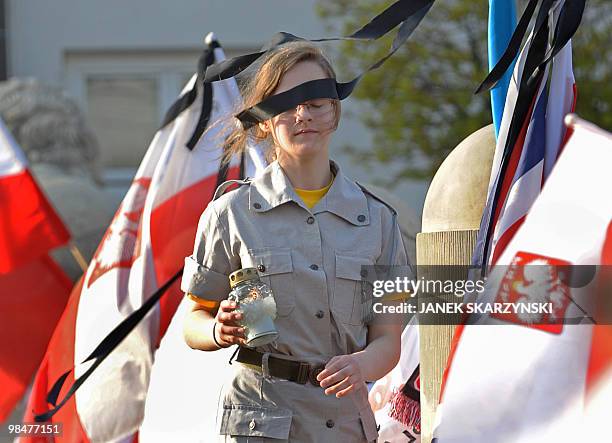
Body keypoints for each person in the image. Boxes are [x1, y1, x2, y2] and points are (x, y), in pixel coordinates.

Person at [181, 40, 410, 442]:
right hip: (261, 419)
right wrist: (218, 330)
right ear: (265, 120)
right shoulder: (230, 214)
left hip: (343, 422)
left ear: (334, 113)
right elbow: (192, 321)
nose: (303, 115)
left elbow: (388, 339)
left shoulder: (378, 221)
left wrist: (361, 365)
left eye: (316, 101)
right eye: (286, 104)